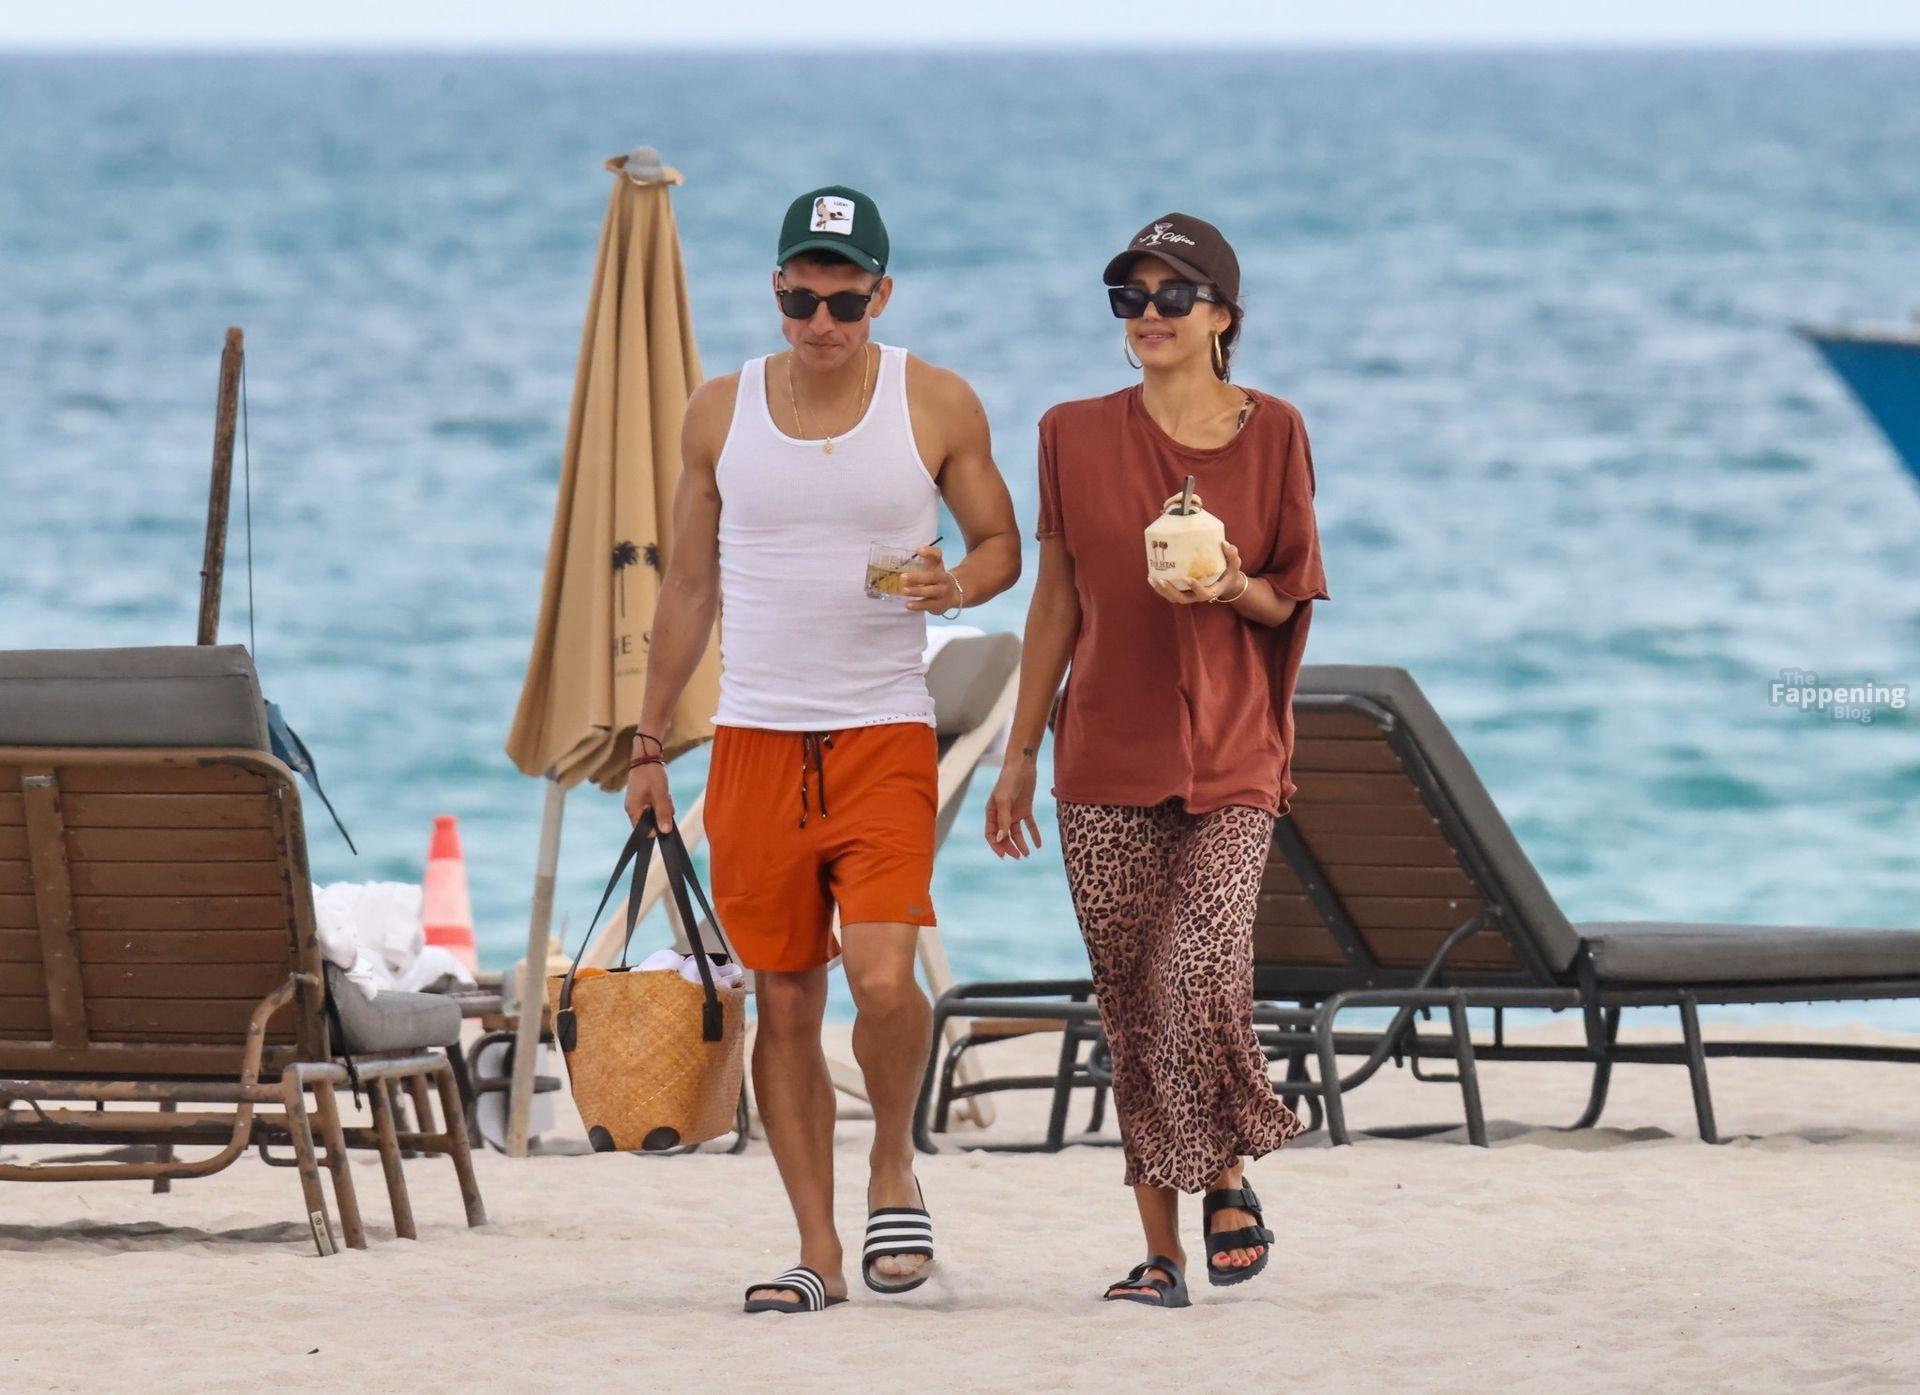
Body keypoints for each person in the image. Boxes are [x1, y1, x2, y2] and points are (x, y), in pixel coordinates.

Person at [625, 185, 1021, 1314]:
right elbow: (687, 588)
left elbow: (1003, 543)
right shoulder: (720, 412)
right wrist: (649, 744)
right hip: (754, 740)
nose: (821, 322)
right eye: (800, 298)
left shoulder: (933, 401)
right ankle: (818, 1250)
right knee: (787, 1004)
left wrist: (957, 583)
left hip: (884, 733)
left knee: (885, 980)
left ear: (881, 296)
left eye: (844, 301)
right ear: (775, 290)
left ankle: (893, 1158)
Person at [984, 212, 1329, 1309]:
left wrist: (1228, 585)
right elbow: (1056, 600)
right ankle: (1163, 1252)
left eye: (1173, 296)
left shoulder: (1276, 432)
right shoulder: (1070, 433)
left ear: (1223, 315)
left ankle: (1225, 1171)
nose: (1148, 315)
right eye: (1129, 298)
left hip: (1236, 753)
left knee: (1192, 972)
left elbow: (1289, 596)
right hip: (1103, 755)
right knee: (1133, 1005)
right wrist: (1018, 751)